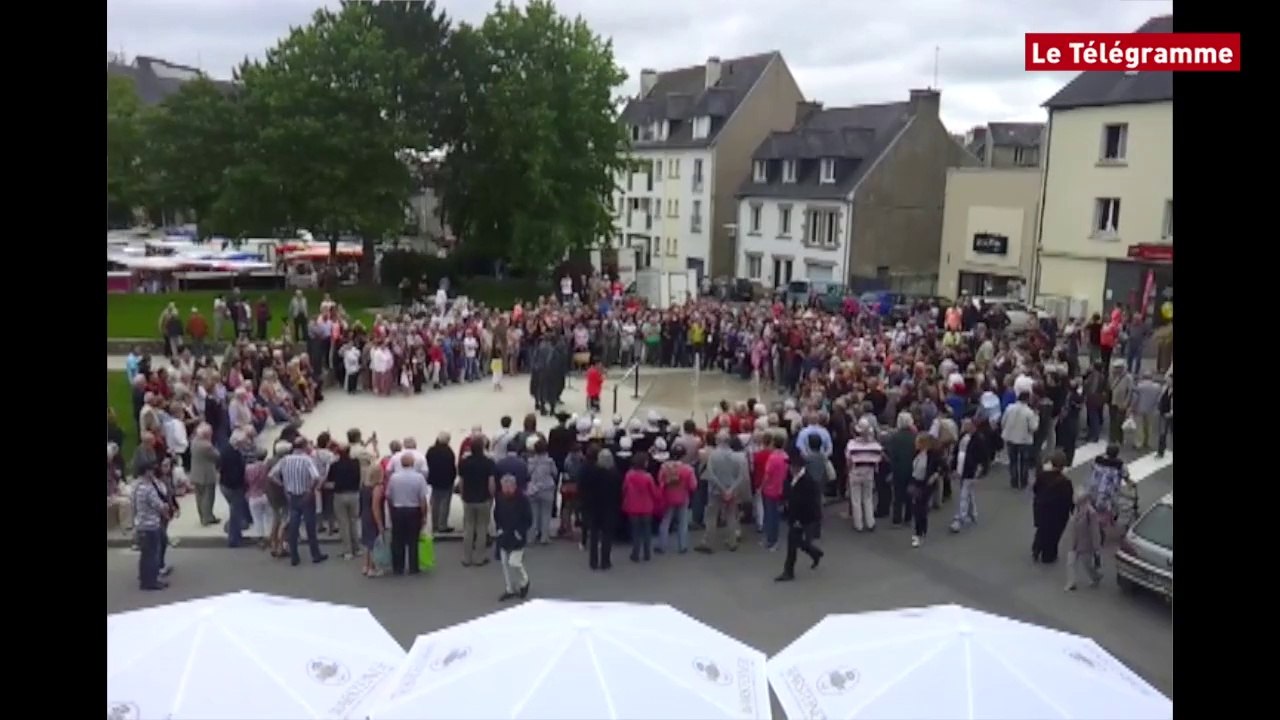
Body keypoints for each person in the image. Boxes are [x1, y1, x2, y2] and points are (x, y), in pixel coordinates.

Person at [269, 438, 329, 567]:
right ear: (303, 446)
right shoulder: (307, 460)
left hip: (292, 495)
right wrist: (310, 490)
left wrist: (284, 486)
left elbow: (271, 475)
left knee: (293, 526)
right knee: (310, 526)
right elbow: (315, 477)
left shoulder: (285, 460)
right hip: (305, 495)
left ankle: (294, 556)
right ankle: (315, 554)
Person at [697, 430, 749, 553]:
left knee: (711, 516)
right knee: (731, 516)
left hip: (715, 491)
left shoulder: (713, 456)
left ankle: (708, 542)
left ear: (717, 441)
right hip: (732, 490)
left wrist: (722, 489)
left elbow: (711, 474)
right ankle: (732, 541)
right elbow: (741, 476)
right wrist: (730, 490)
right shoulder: (737, 457)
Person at [775, 451, 823, 582]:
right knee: (794, 542)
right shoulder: (791, 477)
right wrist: (782, 501)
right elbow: (786, 490)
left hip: (804, 517)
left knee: (795, 542)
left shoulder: (808, 482)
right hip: (793, 515)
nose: (789, 468)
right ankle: (813, 553)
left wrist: (799, 520)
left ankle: (789, 571)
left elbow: (808, 503)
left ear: (798, 467)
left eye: (791, 466)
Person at [385, 452, 431, 576]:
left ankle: (398, 567)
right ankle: (413, 566)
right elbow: (422, 498)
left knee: (397, 539)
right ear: (413, 463)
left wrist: (391, 509)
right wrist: (424, 515)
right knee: (413, 539)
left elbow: (388, 495)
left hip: (398, 509)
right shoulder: (419, 478)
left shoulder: (394, 477)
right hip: (413, 510)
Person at [131, 460, 171, 591]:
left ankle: (144, 579)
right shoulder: (148, 488)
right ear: (147, 472)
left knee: (145, 555)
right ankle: (152, 581)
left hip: (141, 523)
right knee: (153, 555)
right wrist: (165, 507)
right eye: (151, 470)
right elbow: (158, 505)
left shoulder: (137, 486)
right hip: (151, 525)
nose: (153, 472)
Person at [580, 447, 621, 570]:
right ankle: (605, 561)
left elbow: (585, 488)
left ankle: (593, 561)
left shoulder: (593, 472)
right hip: (609, 507)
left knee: (594, 535)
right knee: (607, 535)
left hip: (594, 507)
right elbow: (618, 492)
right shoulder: (615, 474)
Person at [494, 474, 533, 601]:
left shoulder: (522, 499)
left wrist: (519, 532)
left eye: (508, 487)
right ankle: (509, 589)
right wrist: (499, 528)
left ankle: (524, 581)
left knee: (514, 562)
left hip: (517, 537)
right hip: (504, 535)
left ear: (514, 486)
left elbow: (528, 519)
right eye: (504, 487)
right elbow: (497, 514)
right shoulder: (500, 498)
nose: (506, 490)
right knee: (505, 563)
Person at [1031, 451, 1074, 563]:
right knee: (1053, 535)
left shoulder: (1042, 475)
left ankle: (1037, 548)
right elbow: (1068, 499)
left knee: (1042, 529)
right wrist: (1072, 510)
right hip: (1057, 514)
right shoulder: (1065, 482)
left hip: (1041, 507)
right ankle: (1048, 556)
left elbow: (1035, 489)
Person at [844, 420, 883, 533]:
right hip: (869, 472)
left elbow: (848, 461)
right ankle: (870, 522)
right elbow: (878, 461)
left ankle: (858, 524)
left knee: (856, 499)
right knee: (868, 497)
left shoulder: (851, 445)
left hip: (855, 471)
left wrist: (849, 471)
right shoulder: (875, 446)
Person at [622, 451, 661, 562]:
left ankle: (635, 553)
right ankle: (647, 553)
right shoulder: (648, 477)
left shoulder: (629, 475)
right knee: (647, 531)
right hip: (646, 507)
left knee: (635, 532)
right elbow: (654, 492)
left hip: (633, 507)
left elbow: (624, 489)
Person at [1065, 490, 1103, 591]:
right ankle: (1071, 583)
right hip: (1074, 541)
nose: (1075, 501)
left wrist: (1096, 547)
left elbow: (1095, 531)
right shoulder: (1076, 509)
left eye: (1077, 499)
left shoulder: (1091, 513)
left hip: (1086, 543)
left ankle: (1096, 576)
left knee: (1087, 564)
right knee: (1070, 562)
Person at [1001, 391, 1039, 490]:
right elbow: (1033, 427)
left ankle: (1014, 480)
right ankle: (1023, 482)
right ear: (1027, 399)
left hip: (1010, 438)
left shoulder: (1009, 408)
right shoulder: (1029, 412)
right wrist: (1037, 417)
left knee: (1013, 460)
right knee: (1024, 461)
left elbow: (1003, 421)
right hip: (1024, 439)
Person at [909, 434, 940, 548]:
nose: (915, 444)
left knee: (920, 508)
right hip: (916, 481)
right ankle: (921, 530)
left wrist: (935, 476)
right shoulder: (916, 453)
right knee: (917, 507)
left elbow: (941, 467)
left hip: (925, 484)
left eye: (917, 442)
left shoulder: (933, 455)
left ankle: (919, 533)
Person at [526, 439, 558, 544]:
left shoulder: (531, 461)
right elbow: (555, 473)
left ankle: (531, 537)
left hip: (534, 489)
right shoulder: (550, 461)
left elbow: (528, 473)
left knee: (533, 514)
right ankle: (544, 537)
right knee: (546, 514)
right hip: (547, 488)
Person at [425, 432, 457, 534]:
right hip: (446, 481)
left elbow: (427, 464)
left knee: (435, 503)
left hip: (435, 481)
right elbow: (452, 468)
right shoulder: (449, 452)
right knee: (445, 504)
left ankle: (434, 525)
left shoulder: (431, 450)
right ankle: (442, 525)